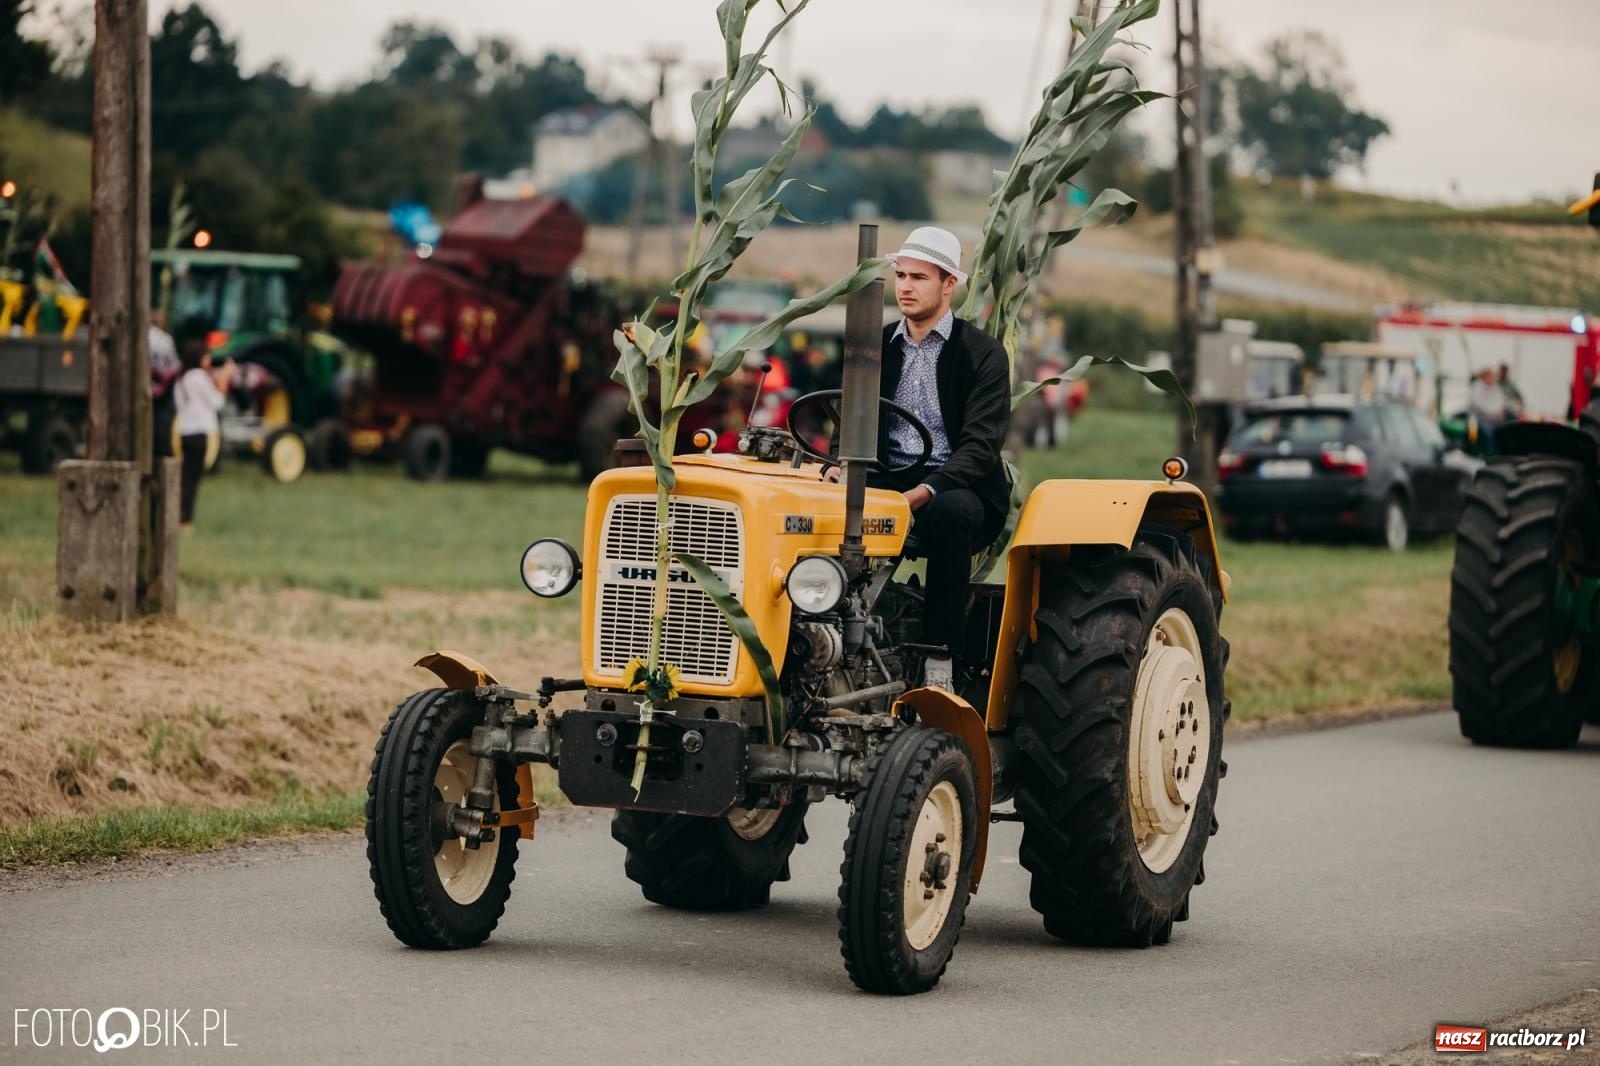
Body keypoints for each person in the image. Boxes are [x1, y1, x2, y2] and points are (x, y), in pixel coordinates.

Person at [868, 226, 1011, 690]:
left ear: (949, 284)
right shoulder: (874, 346)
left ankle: (940, 663)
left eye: (920, 278)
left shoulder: (983, 354)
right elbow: (846, 427)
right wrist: (833, 468)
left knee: (949, 513)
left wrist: (924, 491)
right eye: (901, 276)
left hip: (960, 486)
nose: (906, 287)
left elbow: (980, 446)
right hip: (888, 475)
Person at [172, 318, 234, 528]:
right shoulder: (199, 377)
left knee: (184, 475)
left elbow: (180, 406)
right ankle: (185, 517)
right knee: (192, 478)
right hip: (200, 432)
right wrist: (223, 381)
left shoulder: (182, 378)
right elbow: (217, 402)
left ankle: (179, 513)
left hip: (185, 431)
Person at [1468, 367, 1507, 455]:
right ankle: (1487, 455)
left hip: (1495, 420)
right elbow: (1477, 404)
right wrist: (1493, 412)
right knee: (1486, 433)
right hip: (1477, 420)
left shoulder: (1496, 388)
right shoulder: (1476, 388)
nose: (1493, 378)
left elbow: (1501, 401)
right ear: (1484, 376)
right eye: (1491, 376)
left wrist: (1498, 411)